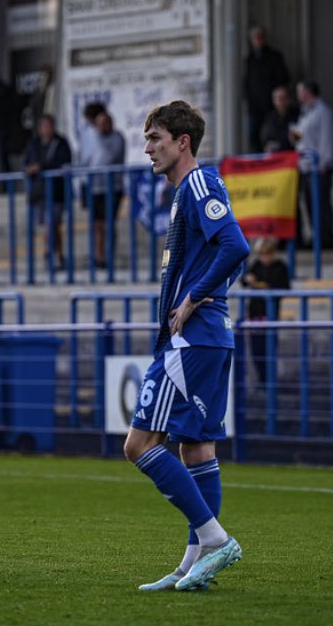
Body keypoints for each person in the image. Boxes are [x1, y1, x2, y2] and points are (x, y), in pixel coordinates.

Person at [127, 99, 248, 592]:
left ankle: (216, 540)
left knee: (139, 445)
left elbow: (236, 245)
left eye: (155, 139)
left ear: (183, 142)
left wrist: (195, 297)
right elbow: (226, 257)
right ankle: (193, 564)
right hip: (208, 338)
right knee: (196, 447)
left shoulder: (198, 183)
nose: (148, 149)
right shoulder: (182, 195)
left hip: (193, 340)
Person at [291, 81, 333, 250]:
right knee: (310, 202)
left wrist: (324, 161)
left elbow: (326, 137)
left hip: (318, 165)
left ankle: (326, 237)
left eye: (301, 92)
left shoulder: (321, 111)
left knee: (321, 203)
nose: (299, 96)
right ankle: (317, 236)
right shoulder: (305, 113)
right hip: (304, 165)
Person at [23, 115, 73, 267]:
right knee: (49, 224)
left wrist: (42, 167)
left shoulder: (61, 143)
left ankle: (49, 252)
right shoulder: (34, 143)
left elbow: (64, 162)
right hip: (40, 192)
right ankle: (56, 254)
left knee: (52, 223)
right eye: (44, 126)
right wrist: (29, 168)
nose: (47, 129)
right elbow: (25, 161)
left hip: (57, 191)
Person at [242, 237, 290, 387]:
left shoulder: (280, 267)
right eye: (262, 254)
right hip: (255, 313)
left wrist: (268, 288)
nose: (265, 258)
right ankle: (261, 378)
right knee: (256, 347)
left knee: (269, 346)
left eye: (268, 254)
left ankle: (270, 379)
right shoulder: (256, 265)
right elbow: (244, 281)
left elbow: (285, 288)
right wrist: (248, 279)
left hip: (270, 314)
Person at [87, 108, 126, 268]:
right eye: (99, 124)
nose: (101, 127)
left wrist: (96, 137)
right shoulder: (92, 139)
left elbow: (108, 157)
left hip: (112, 187)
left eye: (105, 123)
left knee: (109, 223)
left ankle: (110, 254)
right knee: (97, 224)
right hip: (95, 187)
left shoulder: (117, 138)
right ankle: (99, 257)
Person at [244, 26, 290, 153]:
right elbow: (247, 81)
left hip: (272, 105)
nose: (257, 41)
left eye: (259, 38)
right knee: (253, 135)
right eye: (254, 38)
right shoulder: (250, 59)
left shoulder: (274, 57)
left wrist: (277, 98)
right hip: (254, 106)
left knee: (272, 135)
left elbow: (283, 78)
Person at [259, 85, 297, 153]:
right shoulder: (270, 117)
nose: (281, 102)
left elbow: (298, 137)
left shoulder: (296, 115)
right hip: (275, 156)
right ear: (274, 101)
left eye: (284, 98)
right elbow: (265, 136)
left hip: (291, 154)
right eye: (279, 99)